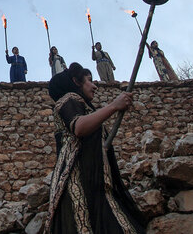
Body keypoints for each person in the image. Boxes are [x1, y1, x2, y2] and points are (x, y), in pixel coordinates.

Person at [44, 63, 146, 233]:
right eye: (89, 81)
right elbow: (79, 127)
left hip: (93, 183)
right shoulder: (69, 99)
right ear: (76, 82)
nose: (95, 86)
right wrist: (114, 105)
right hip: (80, 183)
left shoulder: (82, 106)